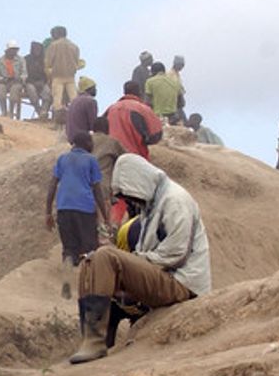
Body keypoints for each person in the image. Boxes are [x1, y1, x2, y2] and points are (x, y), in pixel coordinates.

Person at [68, 153, 210, 364]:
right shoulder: (152, 205)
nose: (130, 202)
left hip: (183, 284)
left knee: (106, 256)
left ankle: (95, 343)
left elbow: (176, 254)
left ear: (139, 182)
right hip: (165, 275)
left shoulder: (175, 200)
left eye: (129, 195)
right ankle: (92, 341)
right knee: (91, 261)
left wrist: (134, 261)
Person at [46, 131, 110, 299]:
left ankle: (67, 283)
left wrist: (48, 212)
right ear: (87, 143)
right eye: (91, 142)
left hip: (64, 209)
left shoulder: (62, 159)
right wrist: (105, 216)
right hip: (85, 209)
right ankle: (90, 288)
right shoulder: (91, 160)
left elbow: (52, 185)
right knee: (91, 248)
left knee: (69, 249)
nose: (93, 144)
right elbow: (97, 190)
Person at [103, 81, 164, 160]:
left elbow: (100, 130)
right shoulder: (144, 109)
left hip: (112, 156)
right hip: (135, 157)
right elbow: (156, 135)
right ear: (139, 92)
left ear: (124, 92)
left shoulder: (111, 108)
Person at [44, 26, 81, 117]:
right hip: (71, 77)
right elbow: (77, 62)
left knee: (57, 100)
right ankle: (76, 117)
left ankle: (57, 119)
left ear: (57, 34)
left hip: (57, 76)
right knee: (74, 100)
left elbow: (48, 63)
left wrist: (49, 75)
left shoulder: (53, 46)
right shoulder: (74, 46)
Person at [144, 61, 183, 126]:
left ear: (153, 72)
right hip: (173, 118)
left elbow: (147, 102)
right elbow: (181, 103)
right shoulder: (175, 82)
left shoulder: (150, 82)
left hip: (157, 117)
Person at [0, 43, 27, 118]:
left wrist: (21, 78)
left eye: (15, 50)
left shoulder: (21, 60)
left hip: (16, 82)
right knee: (1, 92)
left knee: (13, 94)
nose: (14, 52)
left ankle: (11, 112)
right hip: (4, 82)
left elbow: (24, 73)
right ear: (7, 50)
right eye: (12, 50)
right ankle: (4, 112)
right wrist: (1, 80)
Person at [64, 77, 98, 143]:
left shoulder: (74, 101)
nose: (96, 90)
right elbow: (94, 125)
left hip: (71, 138)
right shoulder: (90, 101)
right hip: (82, 140)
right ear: (88, 89)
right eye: (94, 88)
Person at [24, 40, 51, 119]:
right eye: (35, 49)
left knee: (47, 93)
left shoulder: (44, 60)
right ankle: (39, 111)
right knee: (32, 92)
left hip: (42, 82)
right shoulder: (26, 59)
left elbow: (46, 73)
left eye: (39, 49)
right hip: (30, 82)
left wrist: (43, 81)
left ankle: (44, 111)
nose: (37, 51)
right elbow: (24, 73)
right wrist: (31, 82)